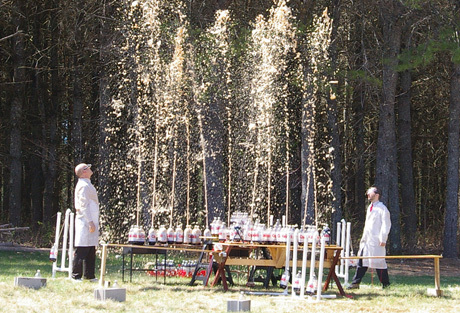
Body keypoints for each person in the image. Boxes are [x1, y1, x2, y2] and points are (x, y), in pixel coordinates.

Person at [348, 186, 391, 289]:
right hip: (367, 241)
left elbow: (386, 224)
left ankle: (386, 284)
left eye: (370, 193)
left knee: (379, 263)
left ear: (377, 195)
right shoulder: (370, 208)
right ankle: (355, 283)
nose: (367, 194)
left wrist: (383, 239)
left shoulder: (382, 209)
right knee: (362, 261)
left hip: (376, 241)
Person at [72, 163, 99, 282]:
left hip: (91, 220)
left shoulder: (87, 184)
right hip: (85, 221)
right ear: (84, 171)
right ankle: (76, 275)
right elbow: (83, 206)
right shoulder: (83, 186)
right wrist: (90, 221)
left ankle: (89, 275)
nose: (90, 168)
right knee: (82, 249)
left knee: (90, 249)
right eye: (87, 167)